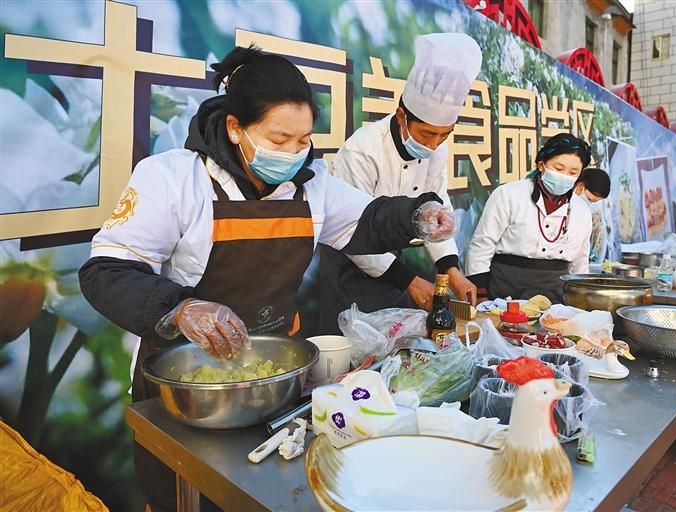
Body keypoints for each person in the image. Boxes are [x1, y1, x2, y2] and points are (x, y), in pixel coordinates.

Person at [78, 45, 454, 512]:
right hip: (187, 383)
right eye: (279, 139)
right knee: (186, 496)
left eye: (304, 140)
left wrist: (415, 215)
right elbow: (107, 271)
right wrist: (181, 308)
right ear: (235, 128)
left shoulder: (312, 185)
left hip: (277, 376)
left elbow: (366, 220)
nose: (294, 153)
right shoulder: (172, 178)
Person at [318, 33, 481, 334]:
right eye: (426, 134)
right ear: (402, 115)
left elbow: (436, 207)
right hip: (348, 268)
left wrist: (451, 269)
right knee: (355, 342)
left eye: (444, 134)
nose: (434, 144)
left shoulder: (437, 149)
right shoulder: (363, 150)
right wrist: (410, 281)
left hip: (394, 266)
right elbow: (352, 231)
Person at [465, 133, 593, 303]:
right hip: (505, 289)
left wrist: (580, 300)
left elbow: (580, 261)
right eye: (558, 168)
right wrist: (481, 295)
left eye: (573, 172)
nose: (564, 176)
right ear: (542, 165)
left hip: (557, 293)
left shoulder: (582, 210)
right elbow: (482, 245)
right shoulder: (509, 194)